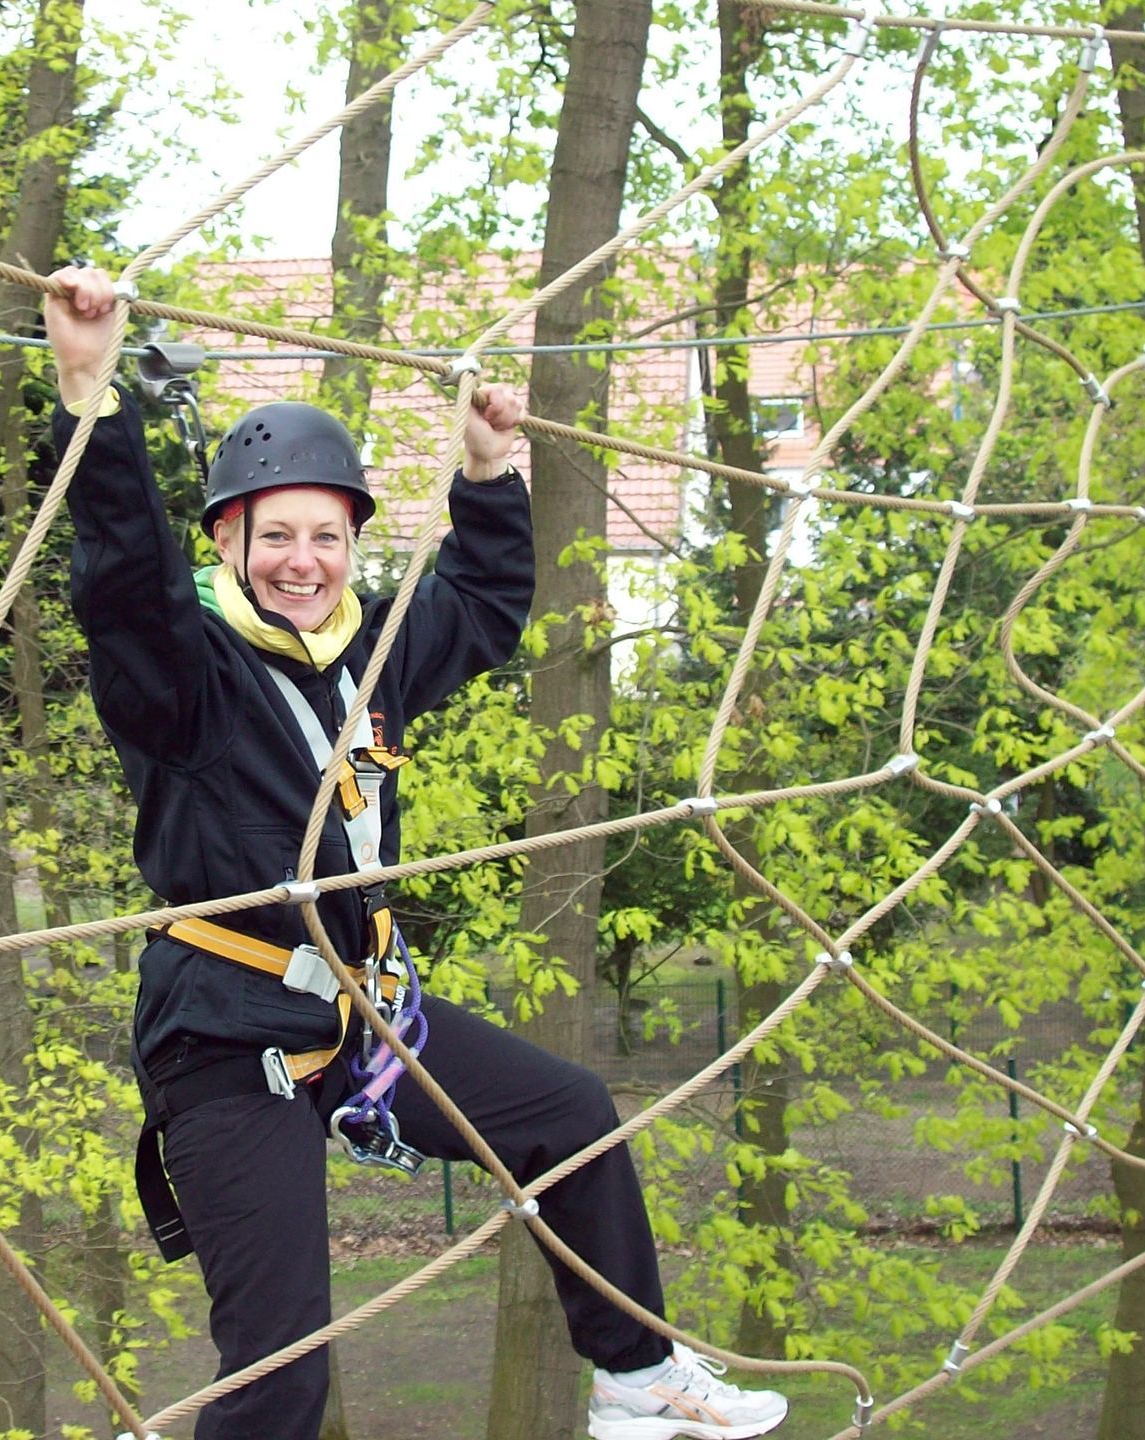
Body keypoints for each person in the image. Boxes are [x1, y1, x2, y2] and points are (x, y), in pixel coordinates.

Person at [45, 264, 789, 1440]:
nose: (304, 560)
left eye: (327, 537)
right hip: (235, 1041)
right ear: (228, 542)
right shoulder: (185, 678)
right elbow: (124, 582)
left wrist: (488, 473)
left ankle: (637, 1380)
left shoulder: (370, 658)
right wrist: (91, 390)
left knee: (572, 1114)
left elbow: (483, 607)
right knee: (282, 1371)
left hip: (360, 1016)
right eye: (275, 535)